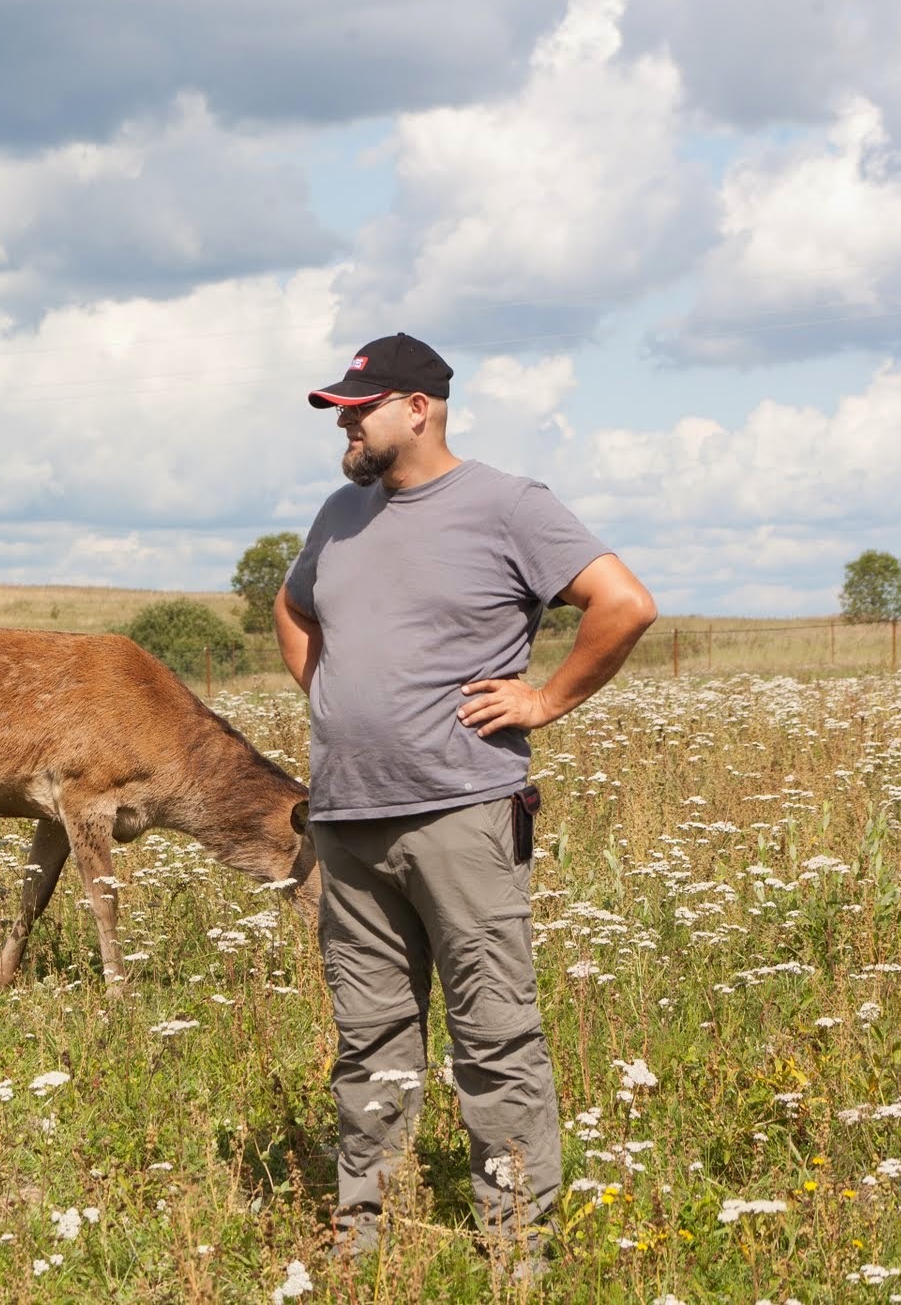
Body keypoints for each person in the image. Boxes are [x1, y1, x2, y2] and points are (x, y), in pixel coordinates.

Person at [273, 332, 658, 1276]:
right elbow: (295, 607)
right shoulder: (339, 513)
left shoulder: (506, 505)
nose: (345, 426)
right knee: (369, 1040)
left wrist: (544, 699)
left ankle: (517, 1248)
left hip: (461, 813)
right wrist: (329, 699)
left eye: (358, 410)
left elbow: (625, 604)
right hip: (348, 820)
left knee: (493, 1034)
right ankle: (361, 1236)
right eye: (339, 412)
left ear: (418, 408)